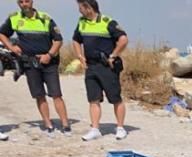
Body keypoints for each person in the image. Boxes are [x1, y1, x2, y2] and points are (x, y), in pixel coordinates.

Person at [0, 0, 71, 135]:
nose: (24, 4)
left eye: (26, 1)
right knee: (39, 95)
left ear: (32, 2)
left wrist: (49, 55)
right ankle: (48, 125)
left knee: (56, 94)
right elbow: (2, 34)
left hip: (49, 62)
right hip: (29, 63)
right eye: (21, 2)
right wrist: (11, 47)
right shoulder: (14, 18)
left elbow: (58, 40)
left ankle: (65, 125)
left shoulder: (45, 18)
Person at [71, 0, 127, 142]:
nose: (79, 10)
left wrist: (113, 55)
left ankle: (120, 128)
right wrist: (80, 55)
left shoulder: (108, 22)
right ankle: (95, 129)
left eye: (80, 7)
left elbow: (123, 39)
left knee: (115, 98)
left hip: (106, 66)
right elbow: (76, 40)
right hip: (90, 66)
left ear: (88, 8)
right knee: (93, 99)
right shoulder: (82, 22)